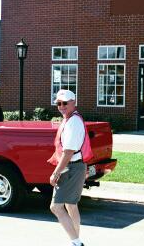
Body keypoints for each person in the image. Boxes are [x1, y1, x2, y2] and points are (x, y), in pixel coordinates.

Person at [47, 89, 90, 246]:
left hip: (71, 167)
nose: (61, 106)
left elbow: (68, 152)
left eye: (65, 103)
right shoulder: (71, 119)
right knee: (71, 205)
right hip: (76, 167)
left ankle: (77, 243)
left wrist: (55, 173)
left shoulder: (73, 122)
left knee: (56, 207)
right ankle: (76, 240)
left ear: (74, 102)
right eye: (59, 103)